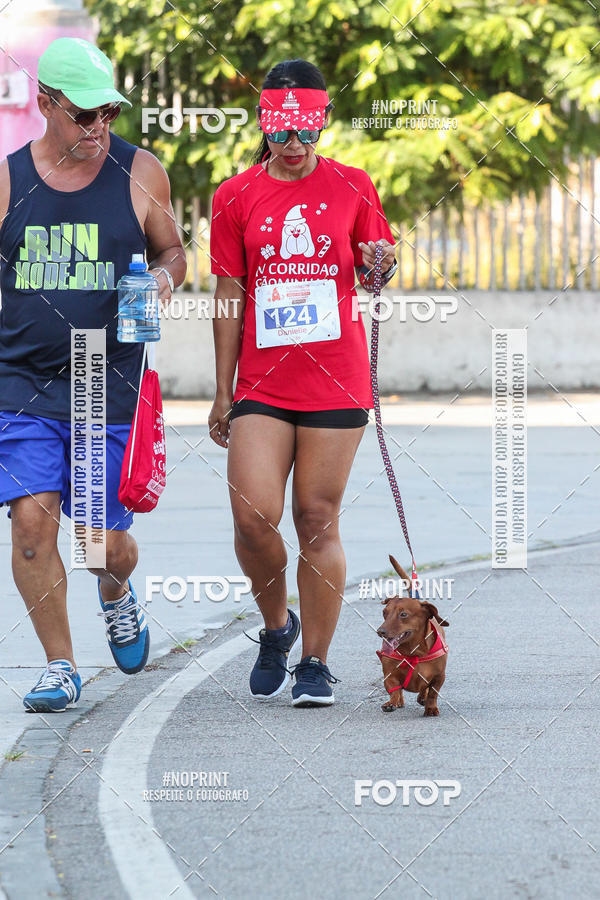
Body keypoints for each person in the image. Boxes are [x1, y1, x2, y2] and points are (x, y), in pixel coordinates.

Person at [0, 38, 186, 712]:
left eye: (108, 111)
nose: (99, 126)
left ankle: (116, 589)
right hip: (22, 383)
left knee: (100, 545)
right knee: (29, 525)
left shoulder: (142, 173)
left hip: (106, 385)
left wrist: (161, 280)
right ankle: (60, 665)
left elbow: (172, 250)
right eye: (83, 114)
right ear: (45, 103)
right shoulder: (8, 179)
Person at [209, 59, 397, 708]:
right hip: (263, 378)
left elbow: (378, 266)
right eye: (283, 134)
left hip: (335, 379)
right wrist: (220, 389)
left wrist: (381, 263)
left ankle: (314, 662)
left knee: (316, 518)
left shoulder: (354, 185)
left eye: (307, 133)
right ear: (264, 125)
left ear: (323, 123)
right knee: (252, 515)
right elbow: (228, 295)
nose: (295, 147)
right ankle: (276, 626)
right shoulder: (235, 194)